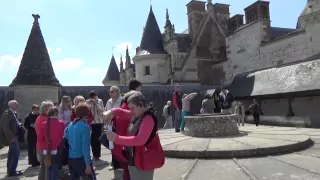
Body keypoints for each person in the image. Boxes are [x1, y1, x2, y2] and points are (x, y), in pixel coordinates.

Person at [104, 91, 165, 180]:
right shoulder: (139, 113)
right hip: (136, 159)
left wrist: (116, 138)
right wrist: (111, 111)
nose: (131, 111)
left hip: (143, 161)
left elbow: (140, 140)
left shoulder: (148, 118)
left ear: (141, 105)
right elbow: (124, 113)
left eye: (132, 108)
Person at [65, 103, 96, 180]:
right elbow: (85, 147)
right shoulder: (85, 127)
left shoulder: (70, 125)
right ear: (87, 114)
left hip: (71, 158)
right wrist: (88, 163)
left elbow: (66, 137)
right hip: (81, 159)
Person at [38, 107, 65, 180]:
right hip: (57, 149)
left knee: (48, 169)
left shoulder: (43, 124)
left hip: (46, 150)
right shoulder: (61, 123)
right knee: (55, 169)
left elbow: (40, 139)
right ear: (56, 113)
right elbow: (61, 137)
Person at [0, 100, 23, 177]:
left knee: (12, 154)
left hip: (15, 136)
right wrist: (10, 137)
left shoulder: (13, 113)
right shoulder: (7, 114)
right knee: (15, 153)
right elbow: (5, 127)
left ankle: (11, 170)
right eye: (16, 105)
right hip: (12, 137)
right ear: (11, 105)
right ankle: (12, 171)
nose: (17, 106)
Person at [35, 100, 54, 180]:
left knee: (43, 167)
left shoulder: (40, 118)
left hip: (40, 145)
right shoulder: (45, 119)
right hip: (45, 146)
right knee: (47, 168)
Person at [104, 86, 122, 171]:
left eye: (112, 91)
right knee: (111, 145)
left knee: (119, 144)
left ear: (117, 92)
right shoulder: (109, 101)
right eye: (110, 92)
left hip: (119, 125)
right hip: (110, 125)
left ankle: (121, 163)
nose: (110, 93)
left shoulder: (122, 101)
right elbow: (105, 111)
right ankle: (114, 163)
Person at [86, 91, 104, 161]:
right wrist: (89, 104)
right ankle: (94, 154)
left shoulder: (100, 101)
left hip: (98, 122)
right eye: (90, 97)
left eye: (93, 97)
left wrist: (96, 104)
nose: (91, 99)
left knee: (97, 139)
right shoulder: (87, 102)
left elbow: (102, 111)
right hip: (90, 123)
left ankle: (97, 155)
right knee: (92, 140)